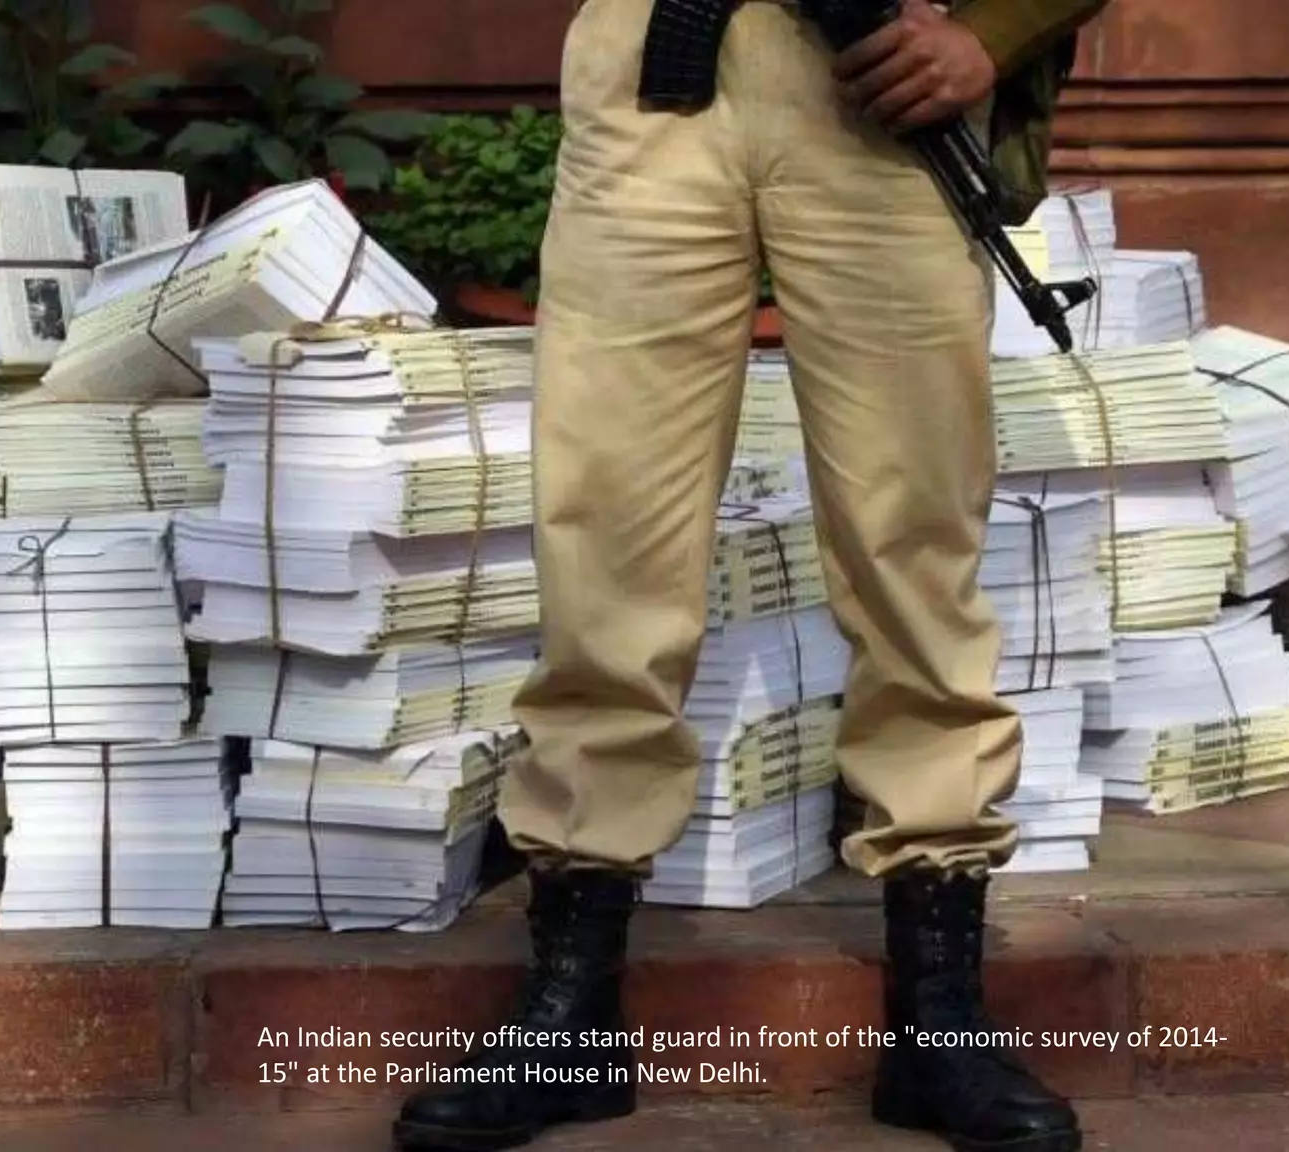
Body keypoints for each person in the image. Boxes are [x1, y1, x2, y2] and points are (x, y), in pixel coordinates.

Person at [393, 1, 1109, 1150]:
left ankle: (937, 1025)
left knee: (910, 546)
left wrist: (996, 28)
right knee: (606, 535)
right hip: (650, 78)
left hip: (882, 73)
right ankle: (571, 1017)